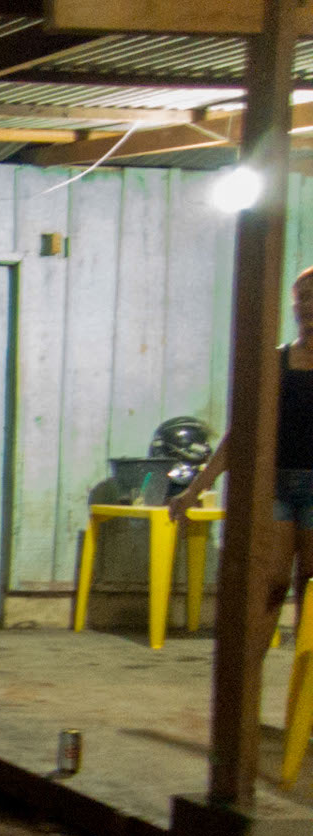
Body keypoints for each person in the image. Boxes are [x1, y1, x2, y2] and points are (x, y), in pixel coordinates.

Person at [168, 264, 313, 626]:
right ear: (294, 307)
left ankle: (305, 664)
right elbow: (241, 434)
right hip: (277, 486)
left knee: (311, 588)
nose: (308, 305)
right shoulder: (276, 362)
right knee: (272, 583)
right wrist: (195, 490)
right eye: (302, 298)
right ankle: (254, 661)